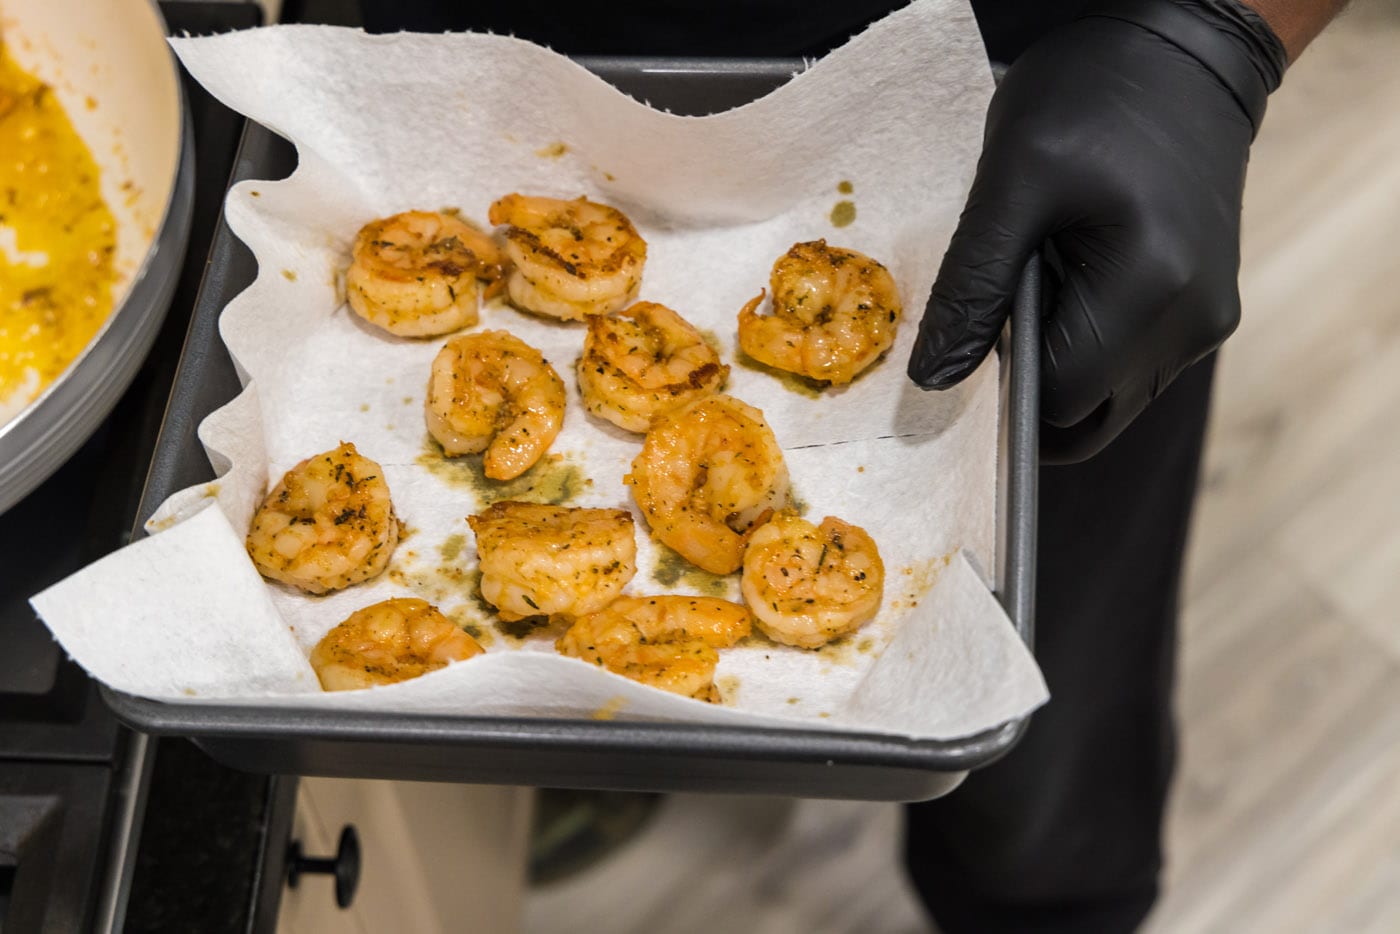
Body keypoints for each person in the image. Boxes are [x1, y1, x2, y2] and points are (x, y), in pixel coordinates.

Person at [357, 2, 1347, 930]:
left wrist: (1219, 37)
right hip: (511, 45)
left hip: (1039, 85)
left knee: (1045, 750)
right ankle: (617, 738)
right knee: (539, 723)